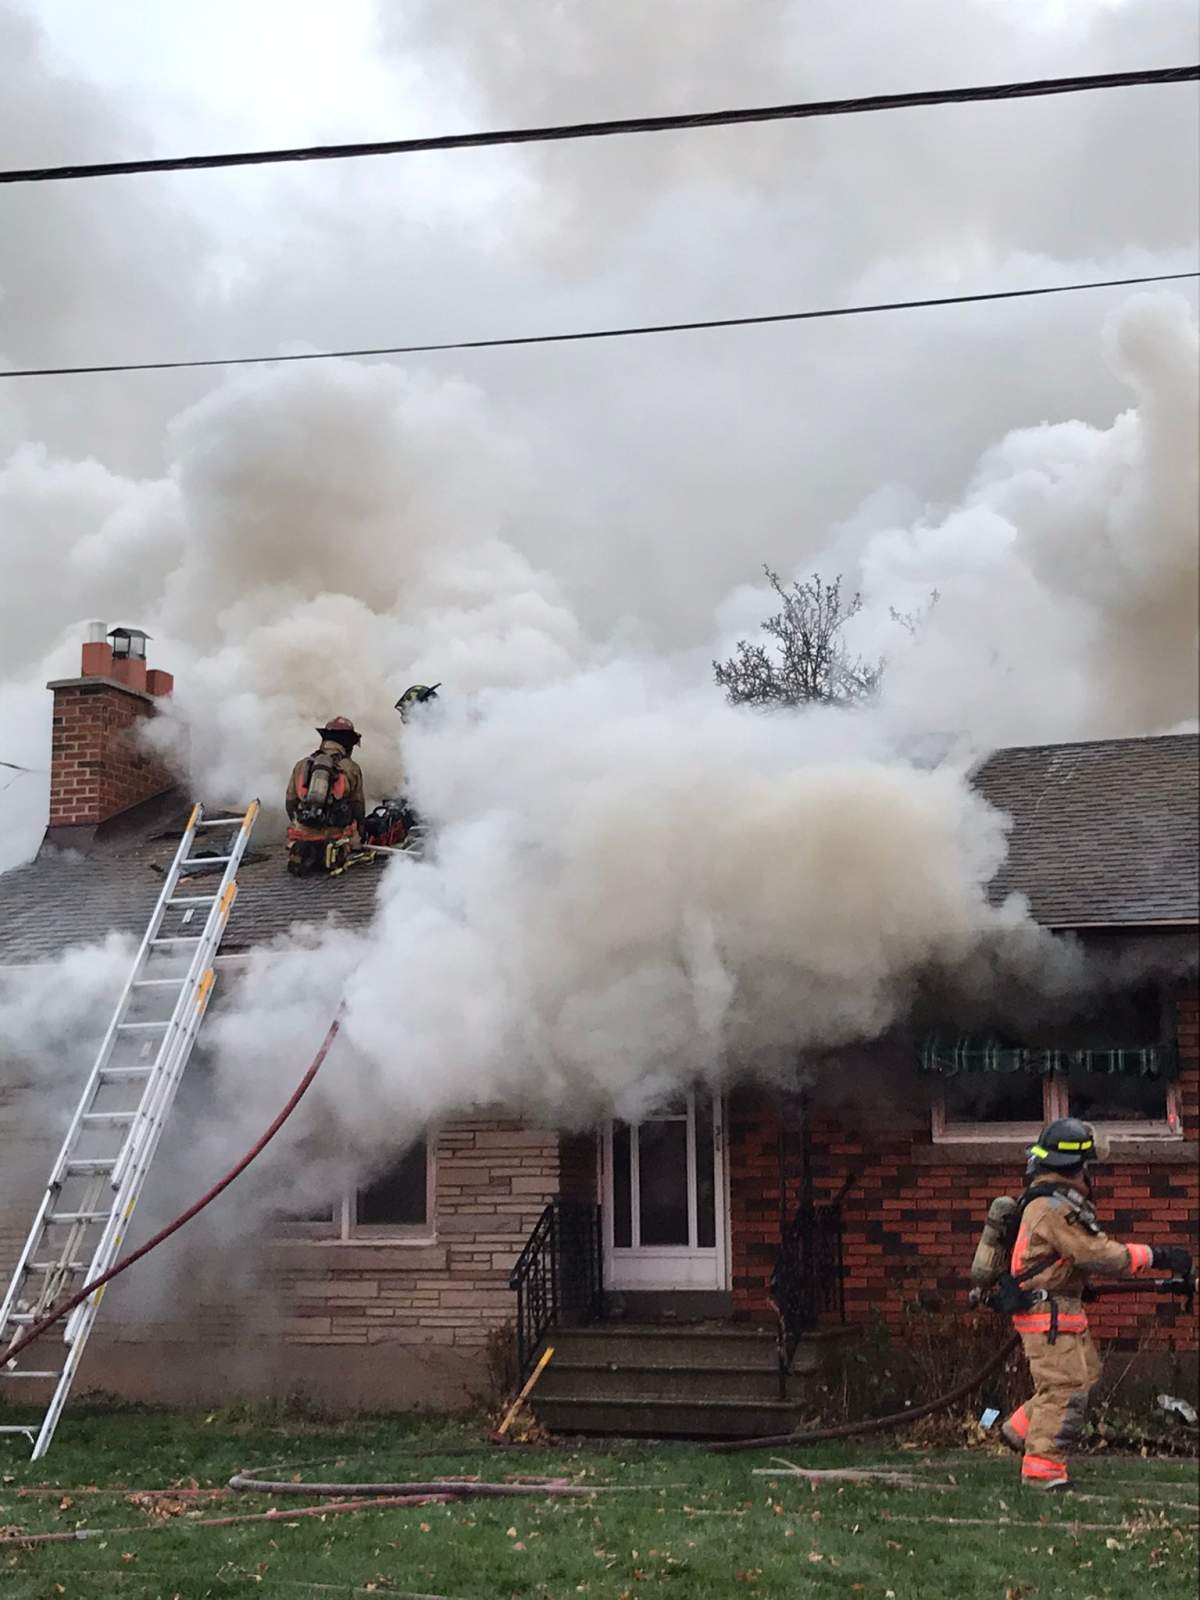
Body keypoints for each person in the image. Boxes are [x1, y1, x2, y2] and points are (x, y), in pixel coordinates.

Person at [999, 1118, 1193, 1491]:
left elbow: (1064, 1259)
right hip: (1048, 1314)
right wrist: (1158, 1255)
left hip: (1058, 1309)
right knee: (1064, 1389)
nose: (1090, 1173)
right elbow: (1100, 1255)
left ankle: (1018, 1431)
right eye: (1087, 1165)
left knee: (1083, 1376)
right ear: (1074, 1166)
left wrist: (1073, 1286)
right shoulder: (1053, 1207)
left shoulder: (1052, 1201)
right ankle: (1043, 1474)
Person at [285, 716, 366, 875]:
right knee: (354, 840)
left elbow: (290, 802)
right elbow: (358, 808)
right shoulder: (352, 768)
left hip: (302, 836)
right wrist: (360, 835)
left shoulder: (302, 764)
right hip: (337, 838)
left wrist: (303, 823)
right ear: (348, 743)